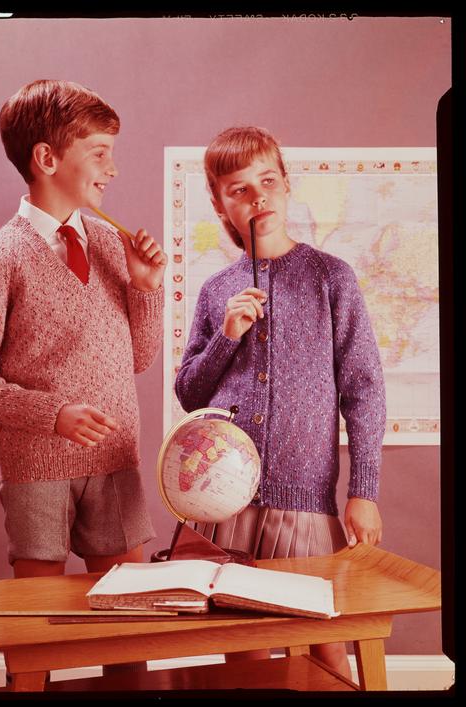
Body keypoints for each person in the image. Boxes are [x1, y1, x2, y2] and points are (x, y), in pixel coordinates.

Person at [174, 126, 386, 679]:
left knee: (324, 644)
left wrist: (363, 490)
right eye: (238, 189)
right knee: (242, 647)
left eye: (267, 181)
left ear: (287, 184)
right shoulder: (216, 289)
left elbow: (364, 391)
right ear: (220, 203)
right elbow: (190, 394)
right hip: (224, 502)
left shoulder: (330, 278)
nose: (257, 197)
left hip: (304, 502)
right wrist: (226, 335)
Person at [0, 79, 167, 585]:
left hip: (115, 459)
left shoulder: (114, 245)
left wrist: (146, 287)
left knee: (127, 610)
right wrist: (53, 415)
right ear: (47, 159)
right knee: (38, 612)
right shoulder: (0, 258)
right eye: (99, 153)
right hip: (36, 465)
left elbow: (137, 359)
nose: (112, 168)